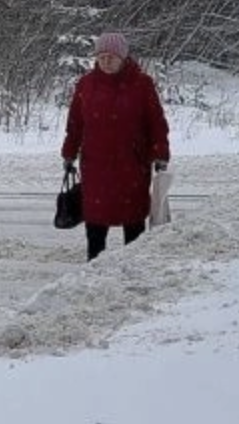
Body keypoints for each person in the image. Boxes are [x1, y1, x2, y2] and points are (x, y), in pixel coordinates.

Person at [60, 32, 171, 261]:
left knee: (133, 218)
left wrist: (161, 153)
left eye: (111, 56)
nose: (106, 61)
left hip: (132, 164)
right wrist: (69, 152)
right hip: (96, 164)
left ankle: (132, 265)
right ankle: (93, 264)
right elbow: (75, 124)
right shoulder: (86, 85)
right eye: (101, 56)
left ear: (123, 57)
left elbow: (156, 122)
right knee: (96, 219)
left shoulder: (142, 84)